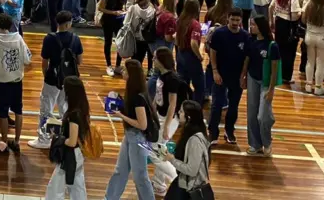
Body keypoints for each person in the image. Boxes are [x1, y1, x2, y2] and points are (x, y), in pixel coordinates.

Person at [103, 58, 156, 200]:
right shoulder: (133, 92)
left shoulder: (137, 97)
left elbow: (142, 124)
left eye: (125, 70)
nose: (122, 71)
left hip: (138, 139)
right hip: (130, 136)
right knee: (120, 171)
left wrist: (121, 115)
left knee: (140, 176)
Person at [30, 11, 83, 150]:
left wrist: (46, 75)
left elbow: (44, 61)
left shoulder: (49, 39)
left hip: (52, 79)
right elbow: (79, 61)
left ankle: (44, 139)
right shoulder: (76, 39)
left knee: (46, 109)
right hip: (69, 80)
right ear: (68, 24)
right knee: (65, 108)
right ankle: (67, 135)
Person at [207, 8, 250, 145]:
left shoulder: (245, 36)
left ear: (241, 20)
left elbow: (246, 58)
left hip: (236, 77)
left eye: (237, 20)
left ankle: (229, 131)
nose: (235, 22)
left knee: (233, 106)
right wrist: (215, 71)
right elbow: (213, 52)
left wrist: (243, 75)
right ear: (228, 19)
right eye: (232, 19)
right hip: (220, 75)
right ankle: (213, 132)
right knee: (216, 105)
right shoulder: (219, 34)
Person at [44, 75, 90, 200]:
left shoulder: (73, 114)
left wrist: (57, 138)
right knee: (77, 186)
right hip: (78, 154)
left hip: (70, 156)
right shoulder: (83, 109)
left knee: (55, 187)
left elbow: (71, 141)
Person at [0, 12, 31, 149]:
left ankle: (3, 141)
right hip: (17, 80)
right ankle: (18, 141)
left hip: (2, 82)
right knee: (18, 110)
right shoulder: (19, 39)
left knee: (3, 113)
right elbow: (27, 59)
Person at [245, 14, 280, 156]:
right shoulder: (251, 41)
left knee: (263, 116)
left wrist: (271, 89)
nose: (251, 27)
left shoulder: (272, 46)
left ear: (261, 27)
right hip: (252, 78)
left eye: (253, 25)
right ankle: (255, 144)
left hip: (265, 82)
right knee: (251, 114)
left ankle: (267, 142)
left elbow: (274, 70)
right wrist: (243, 75)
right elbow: (247, 58)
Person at [165, 100, 212, 198]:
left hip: (189, 186)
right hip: (184, 181)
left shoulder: (195, 140)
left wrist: (171, 159)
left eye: (181, 111)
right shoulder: (191, 133)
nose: (179, 112)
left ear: (188, 117)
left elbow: (191, 170)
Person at [268, 0, 302, 86]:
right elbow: (294, 16)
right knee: (289, 53)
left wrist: (271, 21)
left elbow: (270, 8)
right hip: (289, 27)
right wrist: (301, 12)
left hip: (279, 24)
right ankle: (286, 77)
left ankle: (276, 74)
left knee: (279, 51)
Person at [302, 0, 324, 95]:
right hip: (322, 37)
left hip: (309, 36)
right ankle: (318, 87)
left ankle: (308, 85)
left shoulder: (308, 7)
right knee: (320, 63)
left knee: (310, 61)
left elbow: (303, 19)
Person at [175, 0, 205, 105]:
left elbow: (176, 38)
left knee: (183, 84)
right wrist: (199, 56)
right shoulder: (195, 24)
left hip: (180, 54)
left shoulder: (180, 20)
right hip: (190, 57)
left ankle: (183, 107)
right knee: (200, 85)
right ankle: (196, 108)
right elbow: (193, 43)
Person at [98, 0, 128, 76]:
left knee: (120, 43)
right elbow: (100, 8)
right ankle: (109, 65)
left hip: (119, 20)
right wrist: (113, 12)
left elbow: (122, 5)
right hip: (108, 20)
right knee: (108, 42)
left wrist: (123, 11)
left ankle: (118, 65)